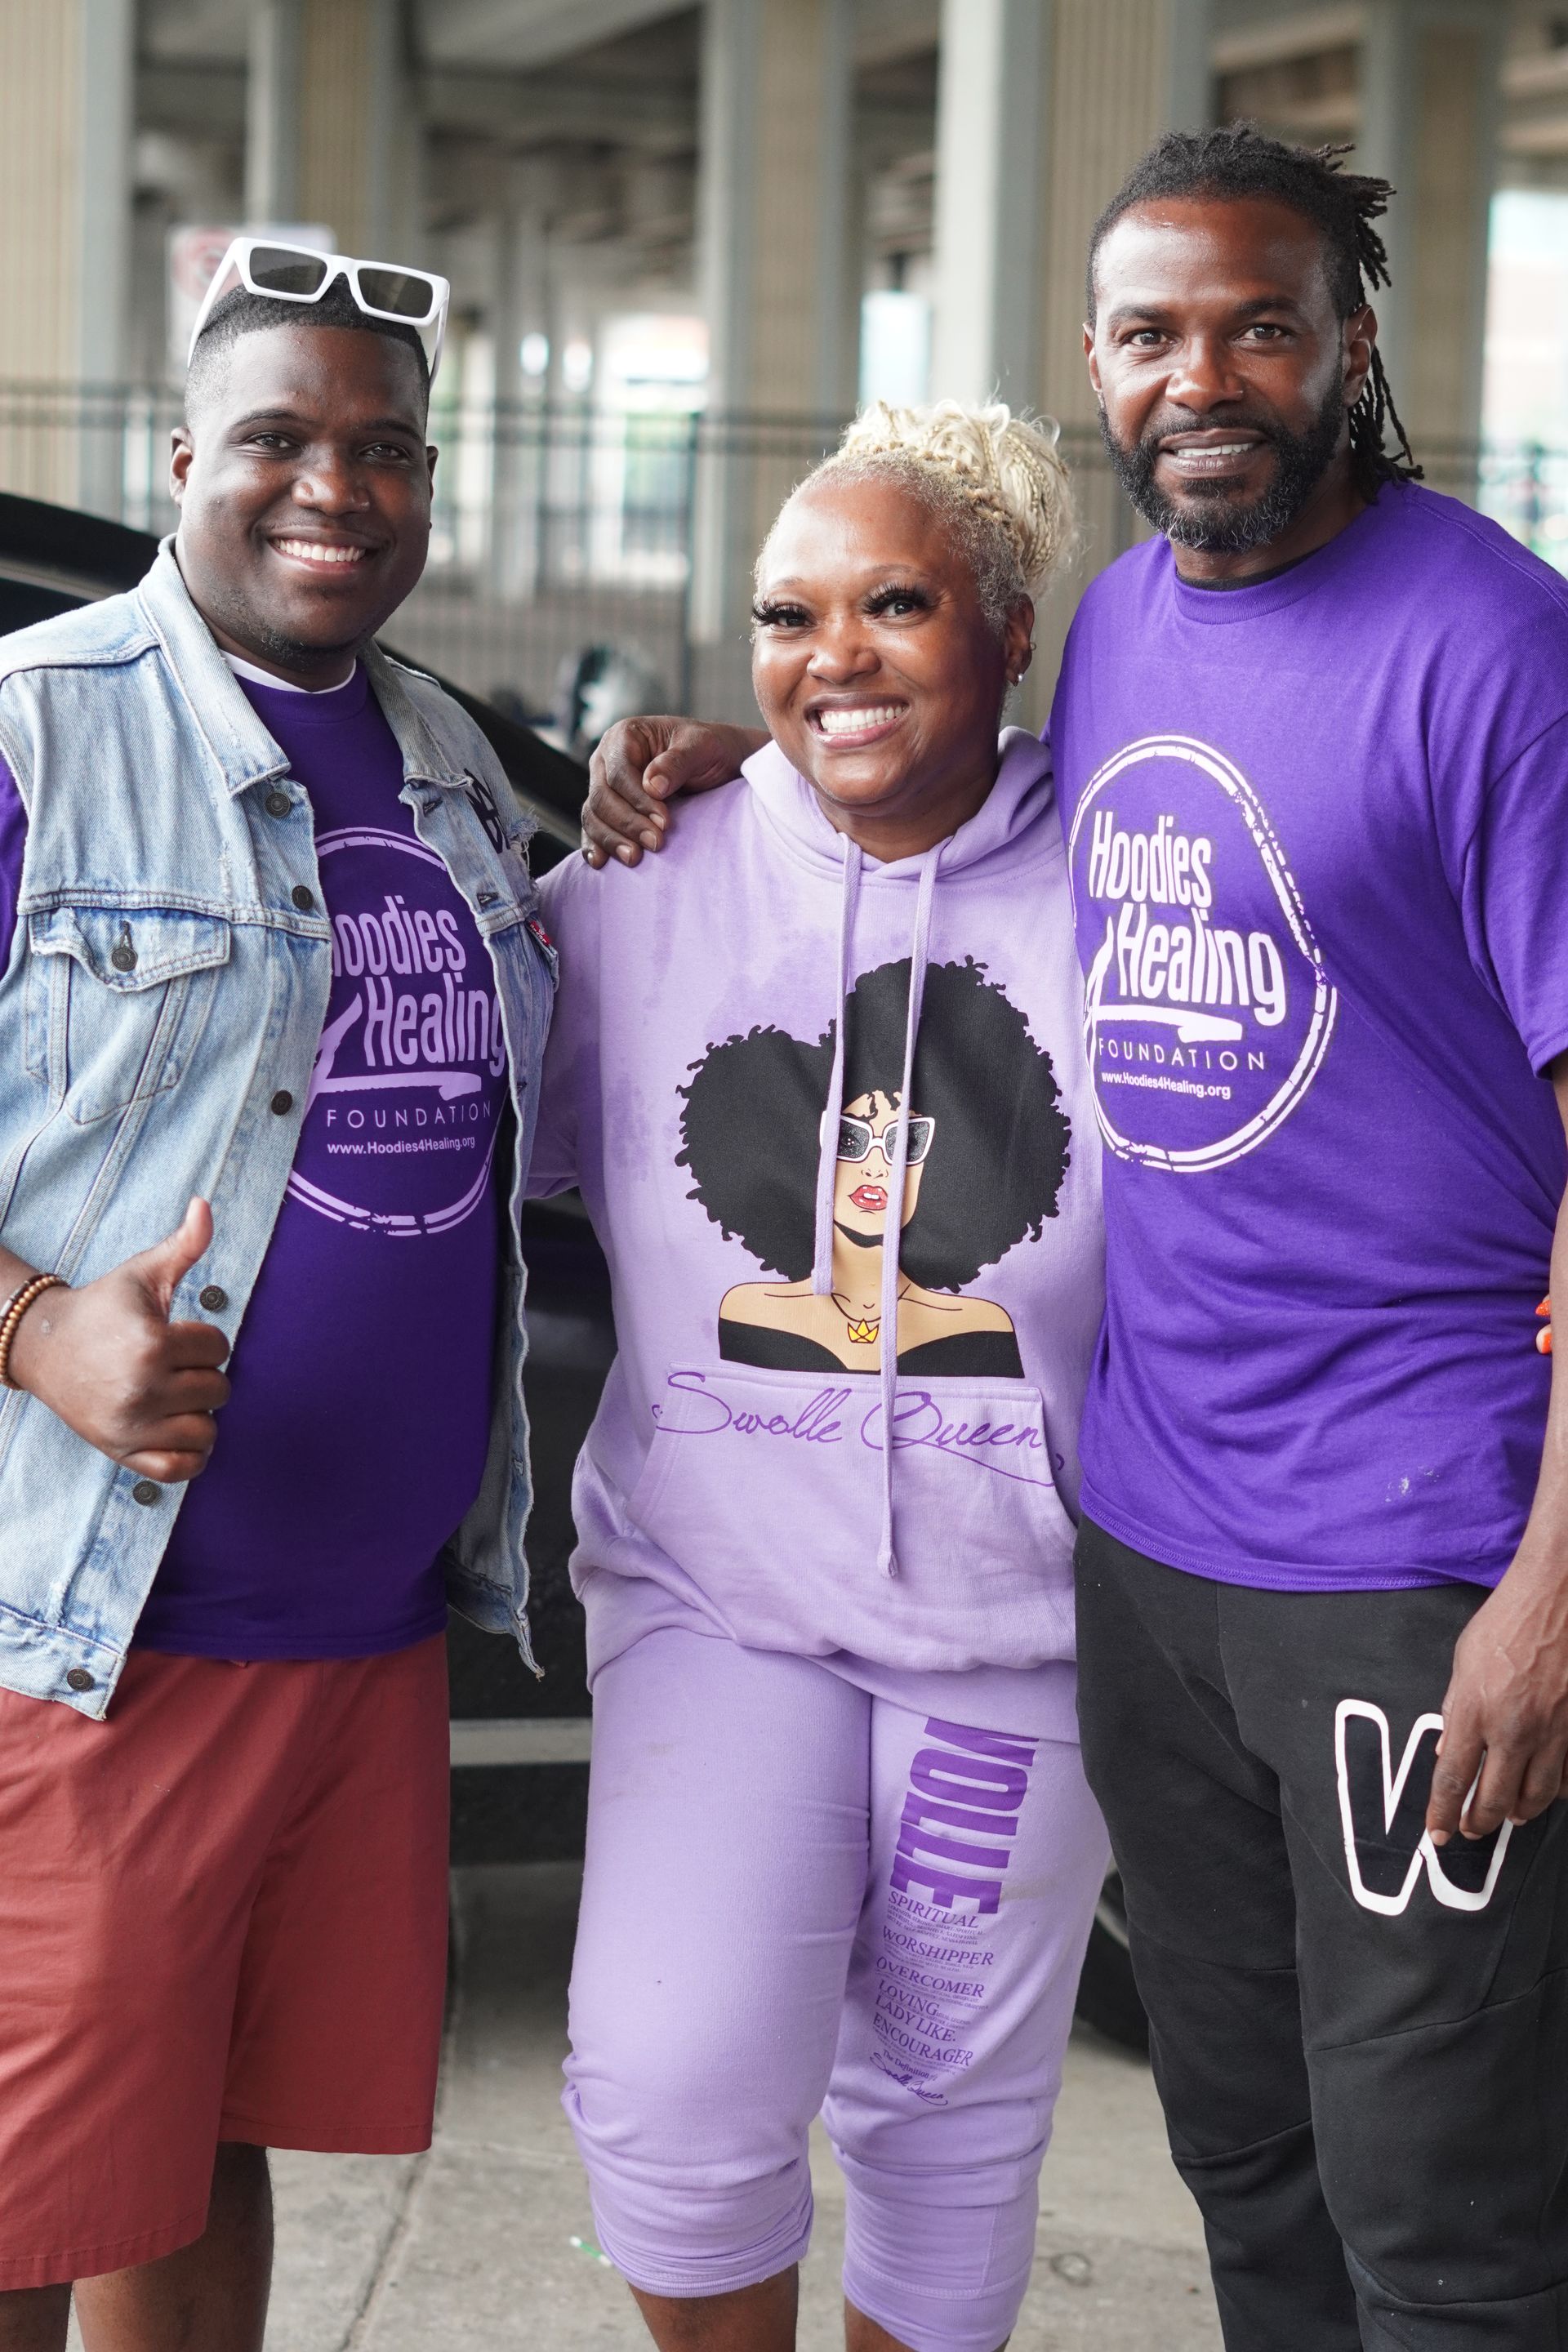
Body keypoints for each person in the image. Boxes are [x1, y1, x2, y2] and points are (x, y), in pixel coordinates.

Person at [583, 128, 1568, 2350]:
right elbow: (932, 777)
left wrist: (1549, 1594)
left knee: (1449, 2214)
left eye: (1258, 322)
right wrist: (755, 750)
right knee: (1246, 2150)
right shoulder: (1124, 630)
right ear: (1102, 364)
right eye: (1150, 332)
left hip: (1416, 1559)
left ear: (1354, 340)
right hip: (1150, 1556)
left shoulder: (1501, 648)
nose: (1202, 372)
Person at [0, 243, 555, 2350]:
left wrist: (691, 792)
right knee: (24, 2203)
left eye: (387, 448)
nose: (339, 488)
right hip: (94, 1641)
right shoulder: (38, 733)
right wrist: (34, 1323)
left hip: (361, 1637)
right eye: (281, 441)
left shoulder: (446, 761)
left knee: (198, 2150)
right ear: (180, 464)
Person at [529, 401, 1109, 2352]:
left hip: (1019, 1627)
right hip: (725, 1602)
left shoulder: (1128, 882)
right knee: (675, 2082)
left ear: (1011, 629)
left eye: (895, 604)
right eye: (788, 615)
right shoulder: (640, 883)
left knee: (950, 2116)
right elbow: (423, 1146)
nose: (831, 655)